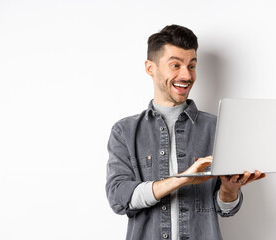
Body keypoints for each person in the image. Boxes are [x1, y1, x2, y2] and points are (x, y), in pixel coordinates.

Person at [106, 24, 265, 240]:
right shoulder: (125, 131)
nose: (186, 75)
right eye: (175, 65)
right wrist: (183, 179)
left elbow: (226, 208)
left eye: (192, 66)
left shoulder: (217, 128)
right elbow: (119, 198)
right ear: (150, 68)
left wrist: (229, 189)